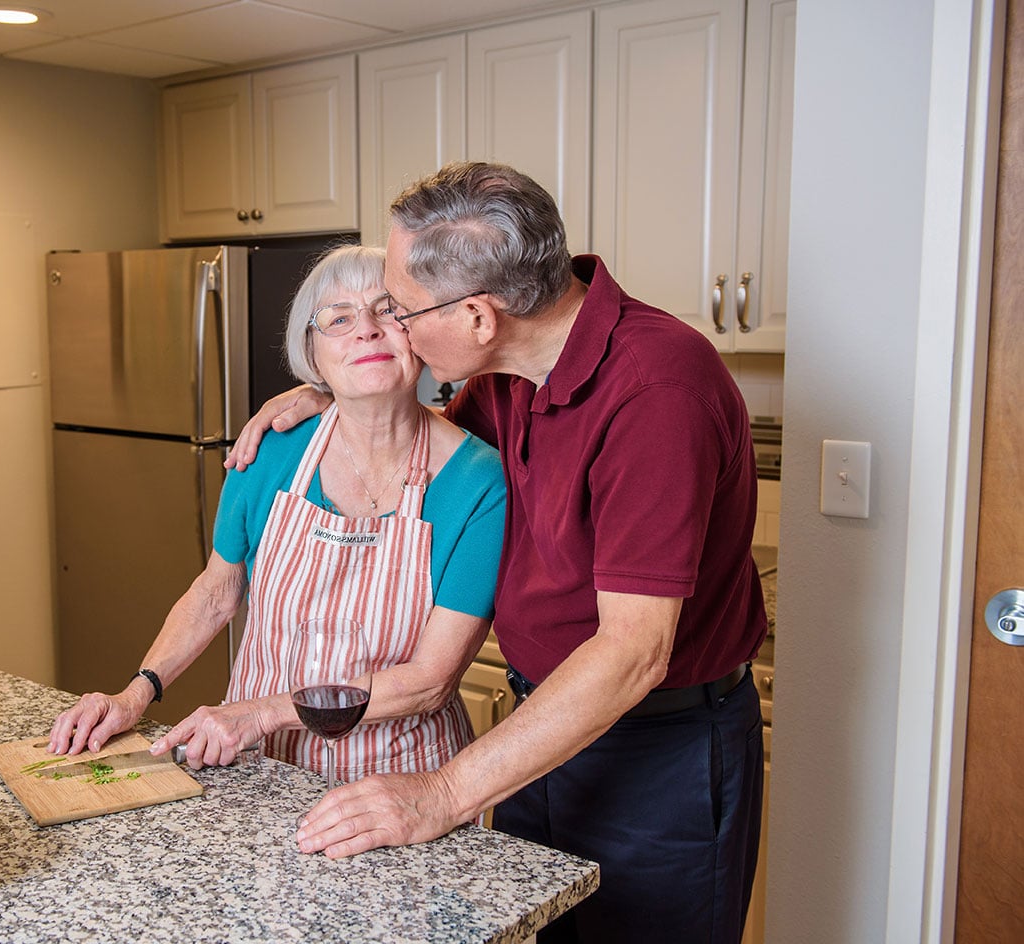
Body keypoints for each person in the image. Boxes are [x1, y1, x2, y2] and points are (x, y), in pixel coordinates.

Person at [227, 163, 767, 944]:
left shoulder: (657, 392)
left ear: (479, 314)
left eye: (402, 310)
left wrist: (439, 795)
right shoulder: (508, 371)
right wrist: (323, 393)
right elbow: (417, 430)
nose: (393, 330)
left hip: (662, 754)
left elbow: (631, 654)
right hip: (544, 726)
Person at [49, 244, 506, 785]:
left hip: (403, 778)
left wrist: (261, 712)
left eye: (388, 310)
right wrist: (135, 694)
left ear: (421, 332)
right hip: (262, 769)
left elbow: (430, 680)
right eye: (338, 318)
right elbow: (216, 592)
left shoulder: (479, 480)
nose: (366, 330)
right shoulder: (269, 450)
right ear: (313, 356)